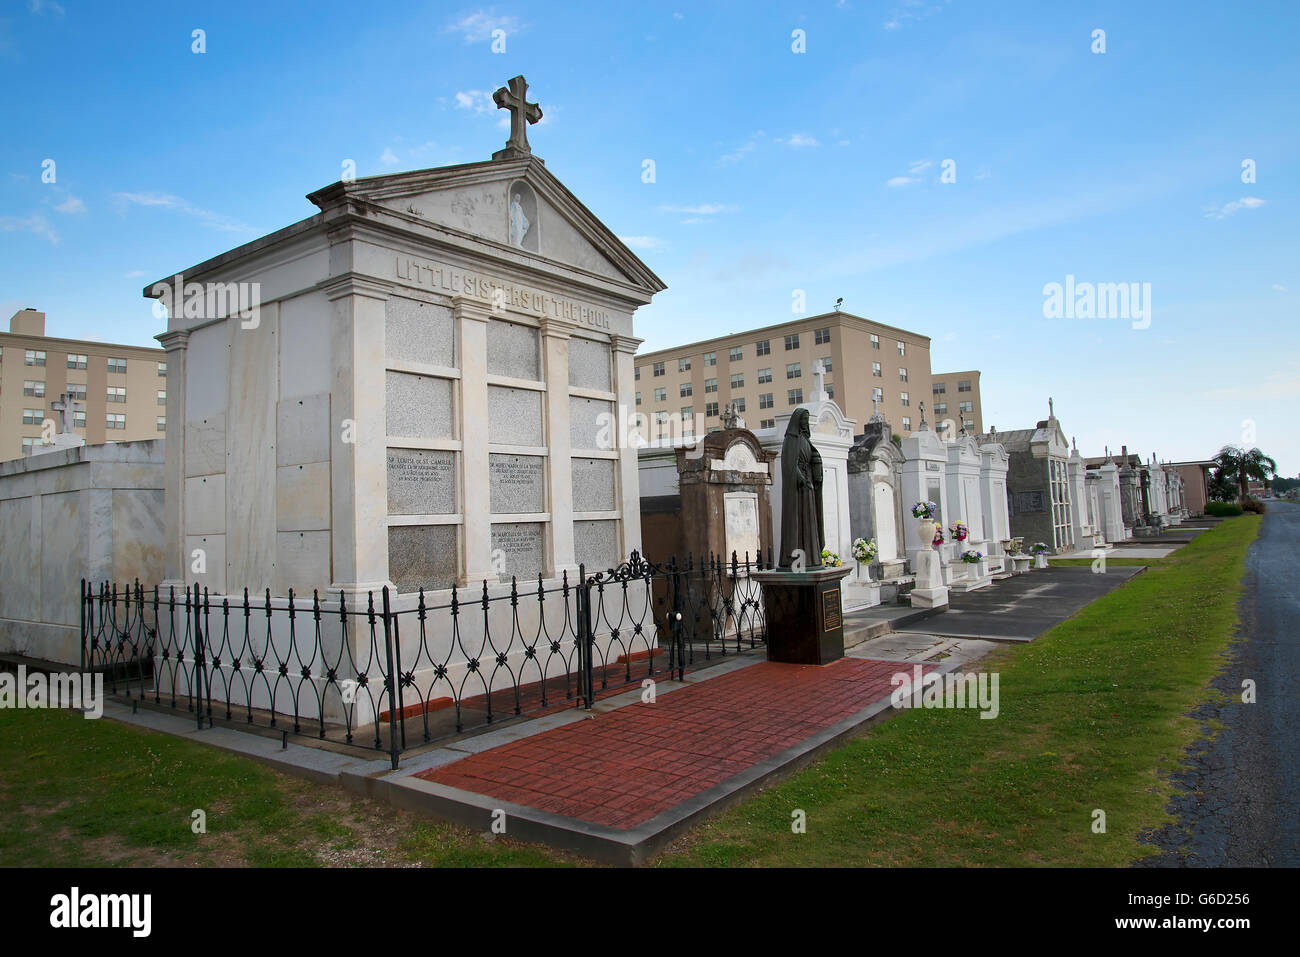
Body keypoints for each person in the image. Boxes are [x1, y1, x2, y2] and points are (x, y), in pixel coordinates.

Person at [779, 407, 825, 568]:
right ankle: (796, 560)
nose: (806, 423)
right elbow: (789, 464)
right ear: (798, 421)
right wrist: (801, 479)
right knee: (798, 522)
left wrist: (817, 468)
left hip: (808, 487)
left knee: (810, 522)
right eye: (804, 420)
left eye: (807, 420)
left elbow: (812, 459)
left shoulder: (805, 440)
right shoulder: (791, 440)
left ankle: (811, 557)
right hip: (798, 490)